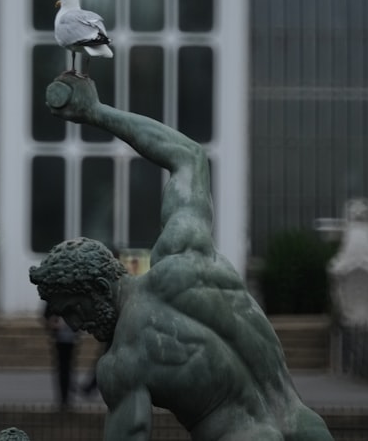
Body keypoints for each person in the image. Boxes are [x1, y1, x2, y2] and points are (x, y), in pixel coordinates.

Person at [30, 74, 332, 441]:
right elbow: (189, 157)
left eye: (74, 310)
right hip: (306, 429)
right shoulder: (185, 254)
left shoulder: (122, 361)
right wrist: (96, 112)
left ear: (100, 286)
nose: (76, 326)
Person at [43, 302, 78, 409]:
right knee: (64, 369)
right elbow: (46, 315)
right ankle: (64, 398)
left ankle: (66, 398)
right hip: (62, 338)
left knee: (65, 369)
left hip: (68, 337)